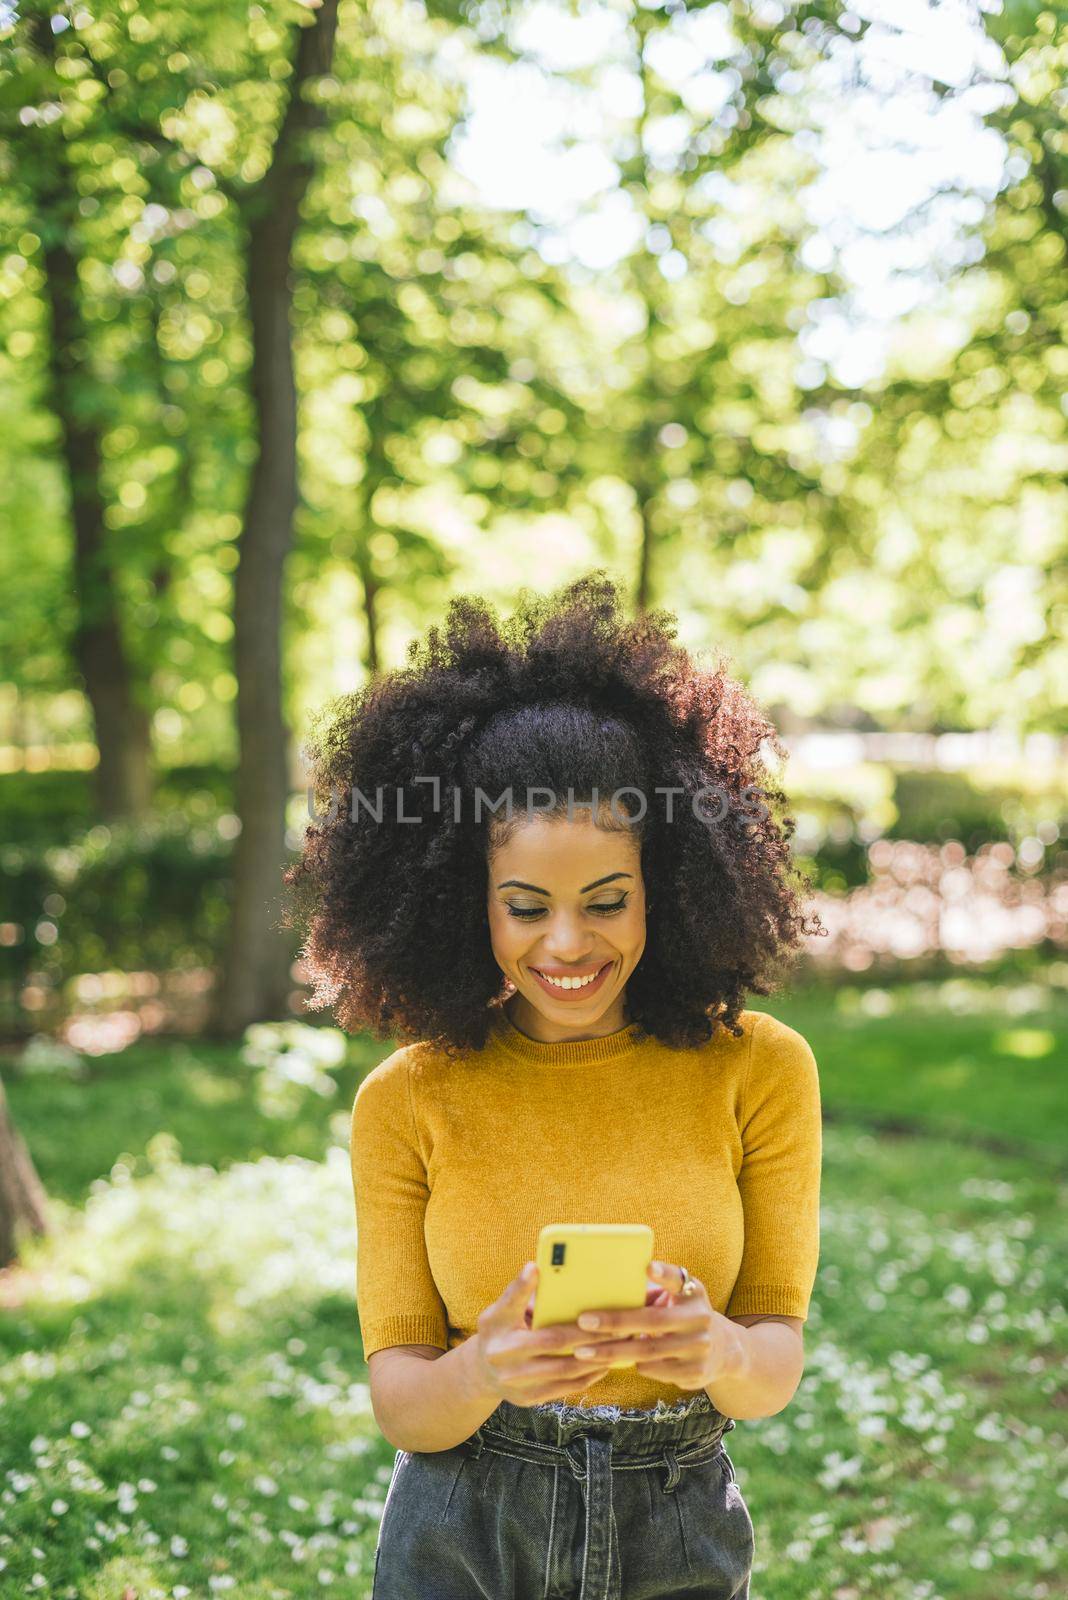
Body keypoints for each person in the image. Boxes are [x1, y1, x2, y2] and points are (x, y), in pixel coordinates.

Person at [285, 570, 824, 1600]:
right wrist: (481, 1365)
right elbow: (403, 1402)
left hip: (679, 1527)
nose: (568, 944)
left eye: (607, 901)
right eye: (526, 906)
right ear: (464, 901)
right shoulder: (404, 1101)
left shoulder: (762, 1070)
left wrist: (710, 1344)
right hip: (462, 1528)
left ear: (667, 889)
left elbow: (773, 1369)